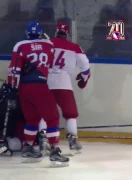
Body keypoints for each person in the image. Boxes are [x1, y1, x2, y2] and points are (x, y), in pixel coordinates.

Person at [7, 20, 69, 167]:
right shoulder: (49, 45)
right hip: (40, 86)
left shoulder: (20, 45)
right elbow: (50, 61)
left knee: (32, 119)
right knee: (53, 118)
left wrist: (12, 89)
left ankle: (28, 147)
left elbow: (14, 70)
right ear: (40, 32)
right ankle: (54, 151)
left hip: (24, 89)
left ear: (27, 33)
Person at [39, 22, 90, 153]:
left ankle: (43, 139)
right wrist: (84, 79)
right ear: (67, 34)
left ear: (56, 32)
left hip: (47, 81)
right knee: (70, 114)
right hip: (64, 82)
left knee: (45, 112)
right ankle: (73, 139)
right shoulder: (74, 47)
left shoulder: (47, 43)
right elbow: (85, 66)